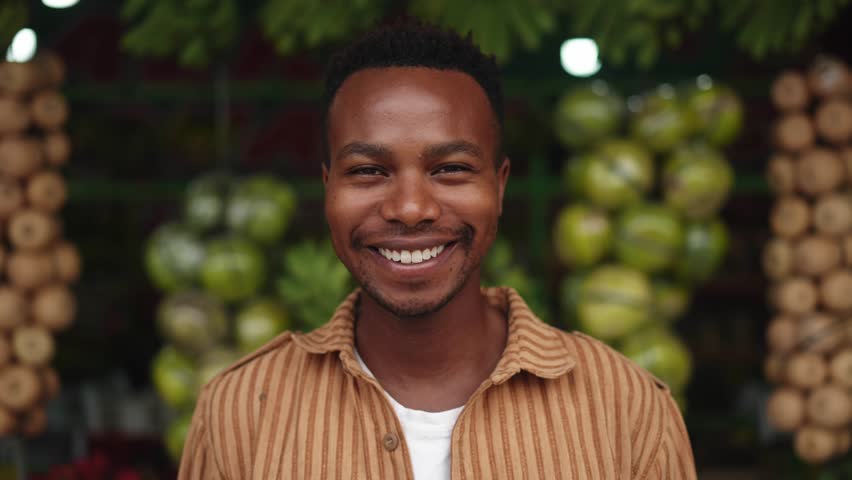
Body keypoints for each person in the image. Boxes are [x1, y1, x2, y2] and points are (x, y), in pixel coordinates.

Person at [178, 18, 697, 480]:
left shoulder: (627, 409)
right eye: (368, 171)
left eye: (450, 169)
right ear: (327, 189)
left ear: (499, 186)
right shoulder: (239, 411)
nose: (410, 208)